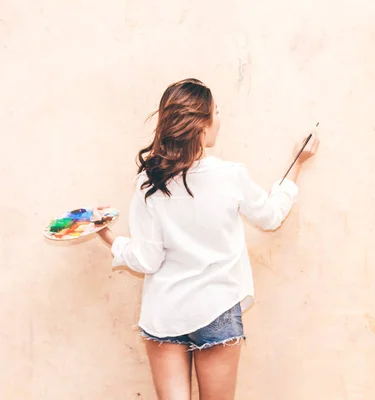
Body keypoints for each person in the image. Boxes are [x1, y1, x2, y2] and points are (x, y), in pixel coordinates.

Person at [95, 78, 319, 400]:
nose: (220, 117)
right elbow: (270, 216)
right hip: (218, 308)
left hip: (165, 313)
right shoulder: (230, 176)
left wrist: (108, 236)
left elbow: (147, 260)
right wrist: (296, 165)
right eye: (216, 111)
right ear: (201, 124)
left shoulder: (149, 183)